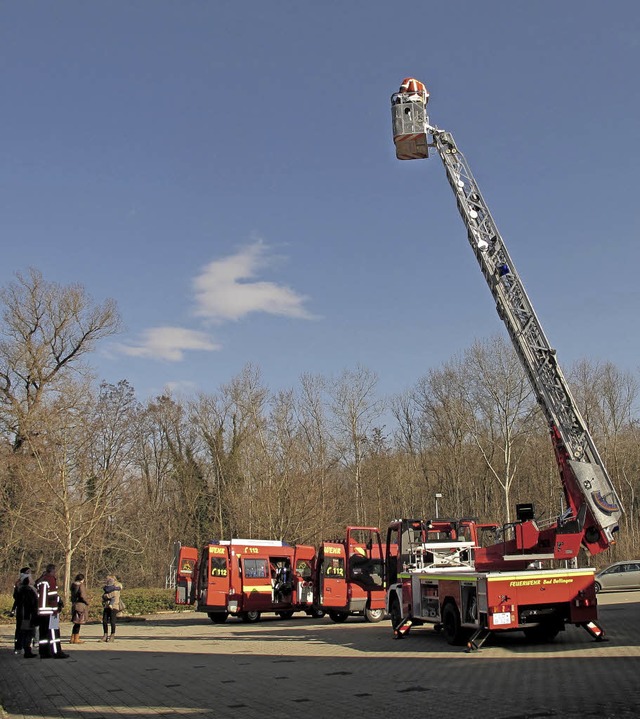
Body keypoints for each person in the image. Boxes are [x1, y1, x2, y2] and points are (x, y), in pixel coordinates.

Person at [35, 564, 69, 658]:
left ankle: (44, 652)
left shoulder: (40, 580)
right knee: (54, 632)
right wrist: (57, 607)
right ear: (52, 571)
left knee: (43, 633)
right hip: (50, 611)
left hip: (41, 611)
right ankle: (56, 652)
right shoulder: (51, 580)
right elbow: (52, 596)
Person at [10, 567, 31, 655]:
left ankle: (21, 646)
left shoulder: (21, 585)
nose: (30, 574)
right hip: (23, 610)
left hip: (22, 609)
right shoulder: (21, 585)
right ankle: (20, 646)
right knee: (22, 628)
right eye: (28, 572)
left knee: (23, 628)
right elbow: (16, 597)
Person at [101, 575, 123, 642]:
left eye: (108, 578)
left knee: (112, 621)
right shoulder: (108, 586)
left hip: (114, 606)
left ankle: (112, 635)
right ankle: (105, 635)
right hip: (106, 605)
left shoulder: (117, 586)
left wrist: (106, 596)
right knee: (104, 621)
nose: (107, 580)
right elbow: (104, 593)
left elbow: (113, 594)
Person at [70, 573, 90, 644]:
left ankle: (72, 638)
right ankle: (76, 639)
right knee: (78, 622)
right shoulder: (81, 585)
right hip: (80, 604)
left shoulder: (73, 585)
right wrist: (87, 602)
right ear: (82, 579)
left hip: (74, 604)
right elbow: (83, 595)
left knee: (75, 622)